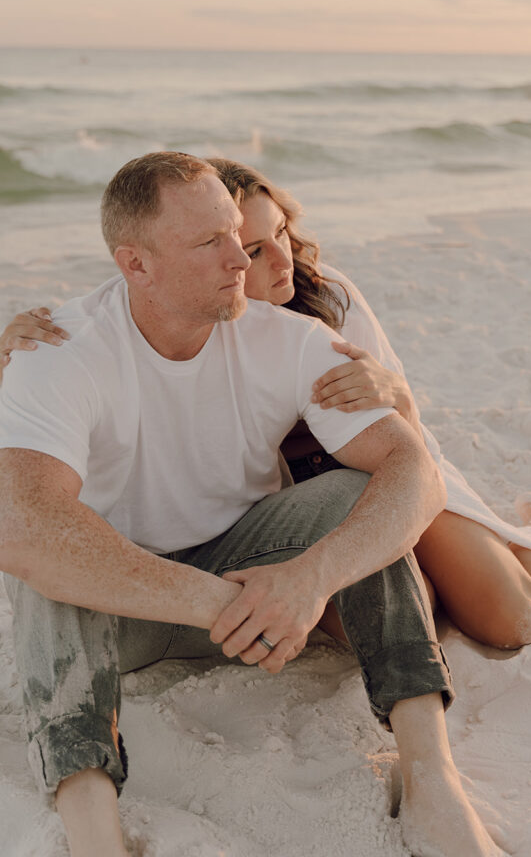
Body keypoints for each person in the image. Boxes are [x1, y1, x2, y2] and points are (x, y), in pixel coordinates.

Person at [0, 152, 502, 857]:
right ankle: (93, 833)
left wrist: (312, 578)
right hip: (125, 610)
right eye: (211, 242)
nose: (242, 259)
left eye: (239, 233)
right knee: (46, 562)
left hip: (252, 572)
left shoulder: (288, 339)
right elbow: (22, 527)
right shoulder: (59, 349)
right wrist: (220, 605)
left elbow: (413, 470)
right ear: (136, 264)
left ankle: (431, 773)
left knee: (357, 493)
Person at [0, 160, 531, 651]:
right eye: (248, 247)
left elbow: (408, 444)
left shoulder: (328, 299)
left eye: (279, 232)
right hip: (285, 507)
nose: (278, 259)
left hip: (369, 475)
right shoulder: (192, 311)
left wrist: (397, 395)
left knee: (514, 620)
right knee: (406, 614)